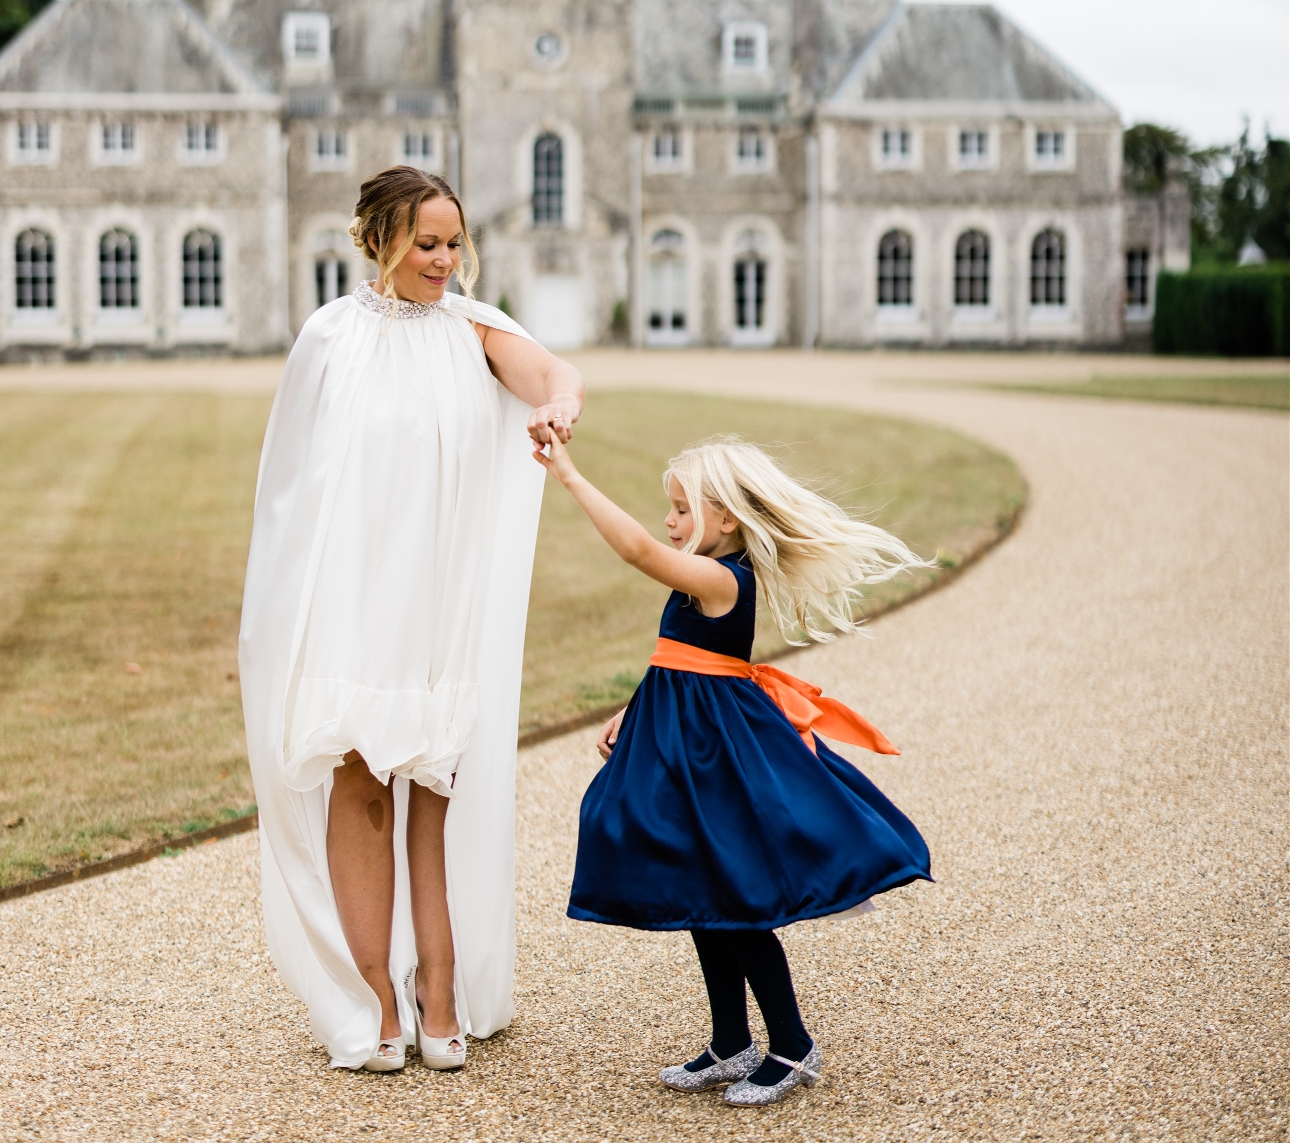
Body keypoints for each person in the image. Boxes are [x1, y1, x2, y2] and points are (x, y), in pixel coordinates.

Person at [239, 166, 584, 1072]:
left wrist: (558, 403)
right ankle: (374, 1000)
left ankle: (441, 985)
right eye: (424, 243)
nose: (442, 259)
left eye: (452, 243)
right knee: (359, 784)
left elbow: (549, 369)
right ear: (376, 239)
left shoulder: (474, 329)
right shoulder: (329, 338)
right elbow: (290, 487)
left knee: (433, 790)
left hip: (440, 601)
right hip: (355, 598)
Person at [534, 433, 933, 1107]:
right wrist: (634, 710)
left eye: (682, 510)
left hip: (717, 757)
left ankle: (792, 1045)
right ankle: (730, 1041)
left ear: (727, 521)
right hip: (682, 749)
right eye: (670, 510)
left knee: (739, 900)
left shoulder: (725, 578)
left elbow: (637, 551)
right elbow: (676, 655)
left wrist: (569, 475)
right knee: (703, 894)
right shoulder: (702, 579)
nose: (670, 522)